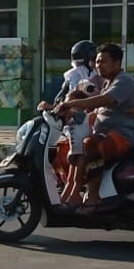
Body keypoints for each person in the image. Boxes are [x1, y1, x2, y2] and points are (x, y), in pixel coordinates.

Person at [55, 43, 134, 208]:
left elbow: (104, 100)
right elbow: (96, 109)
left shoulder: (124, 81)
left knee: (90, 145)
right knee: (65, 148)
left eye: (103, 61)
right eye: (97, 61)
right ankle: (70, 190)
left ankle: (92, 197)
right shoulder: (107, 82)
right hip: (104, 133)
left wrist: (71, 104)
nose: (98, 65)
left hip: (122, 136)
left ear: (117, 63)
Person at [39, 40, 96, 188]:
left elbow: (62, 98)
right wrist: (54, 107)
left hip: (86, 121)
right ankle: (67, 182)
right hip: (75, 118)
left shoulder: (88, 76)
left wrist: (57, 106)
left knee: (67, 149)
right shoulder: (79, 75)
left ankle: (72, 183)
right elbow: (62, 98)